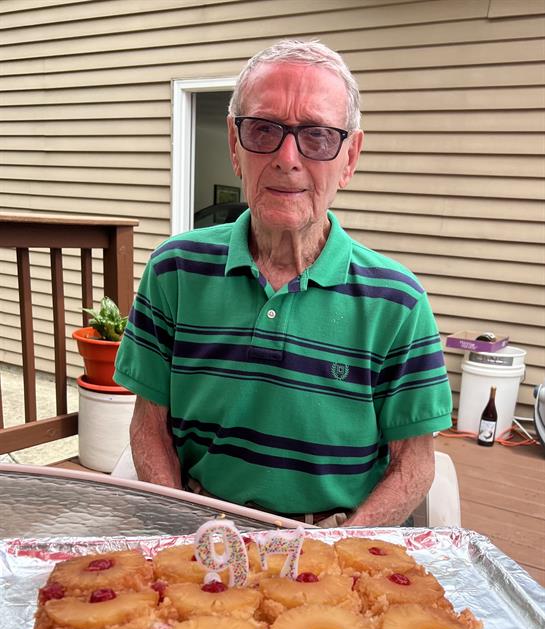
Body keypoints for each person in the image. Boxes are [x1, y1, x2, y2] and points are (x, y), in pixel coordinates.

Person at [114, 39, 452, 527]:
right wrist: (185, 531)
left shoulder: (396, 301)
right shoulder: (175, 271)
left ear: (350, 157)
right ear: (235, 144)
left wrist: (338, 553)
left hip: (335, 536)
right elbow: (149, 426)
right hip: (199, 525)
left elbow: (415, 464)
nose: (288, 157)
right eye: (264, 129)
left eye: (316, 136)